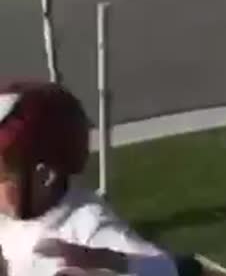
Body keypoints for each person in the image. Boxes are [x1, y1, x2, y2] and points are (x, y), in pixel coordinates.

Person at [0, 81, 179, 276]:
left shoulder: (87, 229)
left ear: (45, 176)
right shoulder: (12, 214)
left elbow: (165, 269)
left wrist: (112, 262)